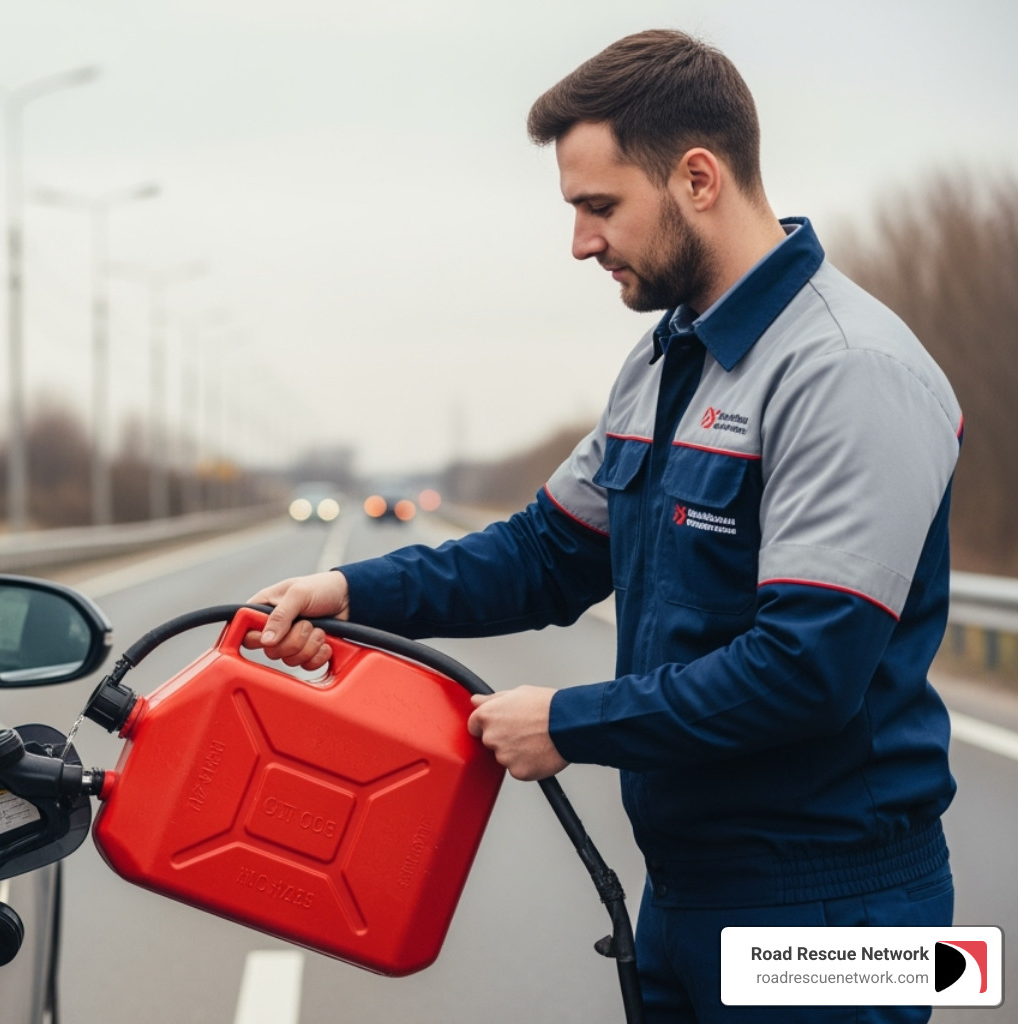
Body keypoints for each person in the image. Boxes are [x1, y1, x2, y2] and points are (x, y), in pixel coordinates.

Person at [245, 29, 961, 1024]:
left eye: (600, 206)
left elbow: (807, 671)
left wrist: (569, 723)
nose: (581, 241)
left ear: (699, 179)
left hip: (836, 914)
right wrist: (354, 590)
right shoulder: (669, 361)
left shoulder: (848, 372)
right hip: (687, 895)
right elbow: (544, 554)